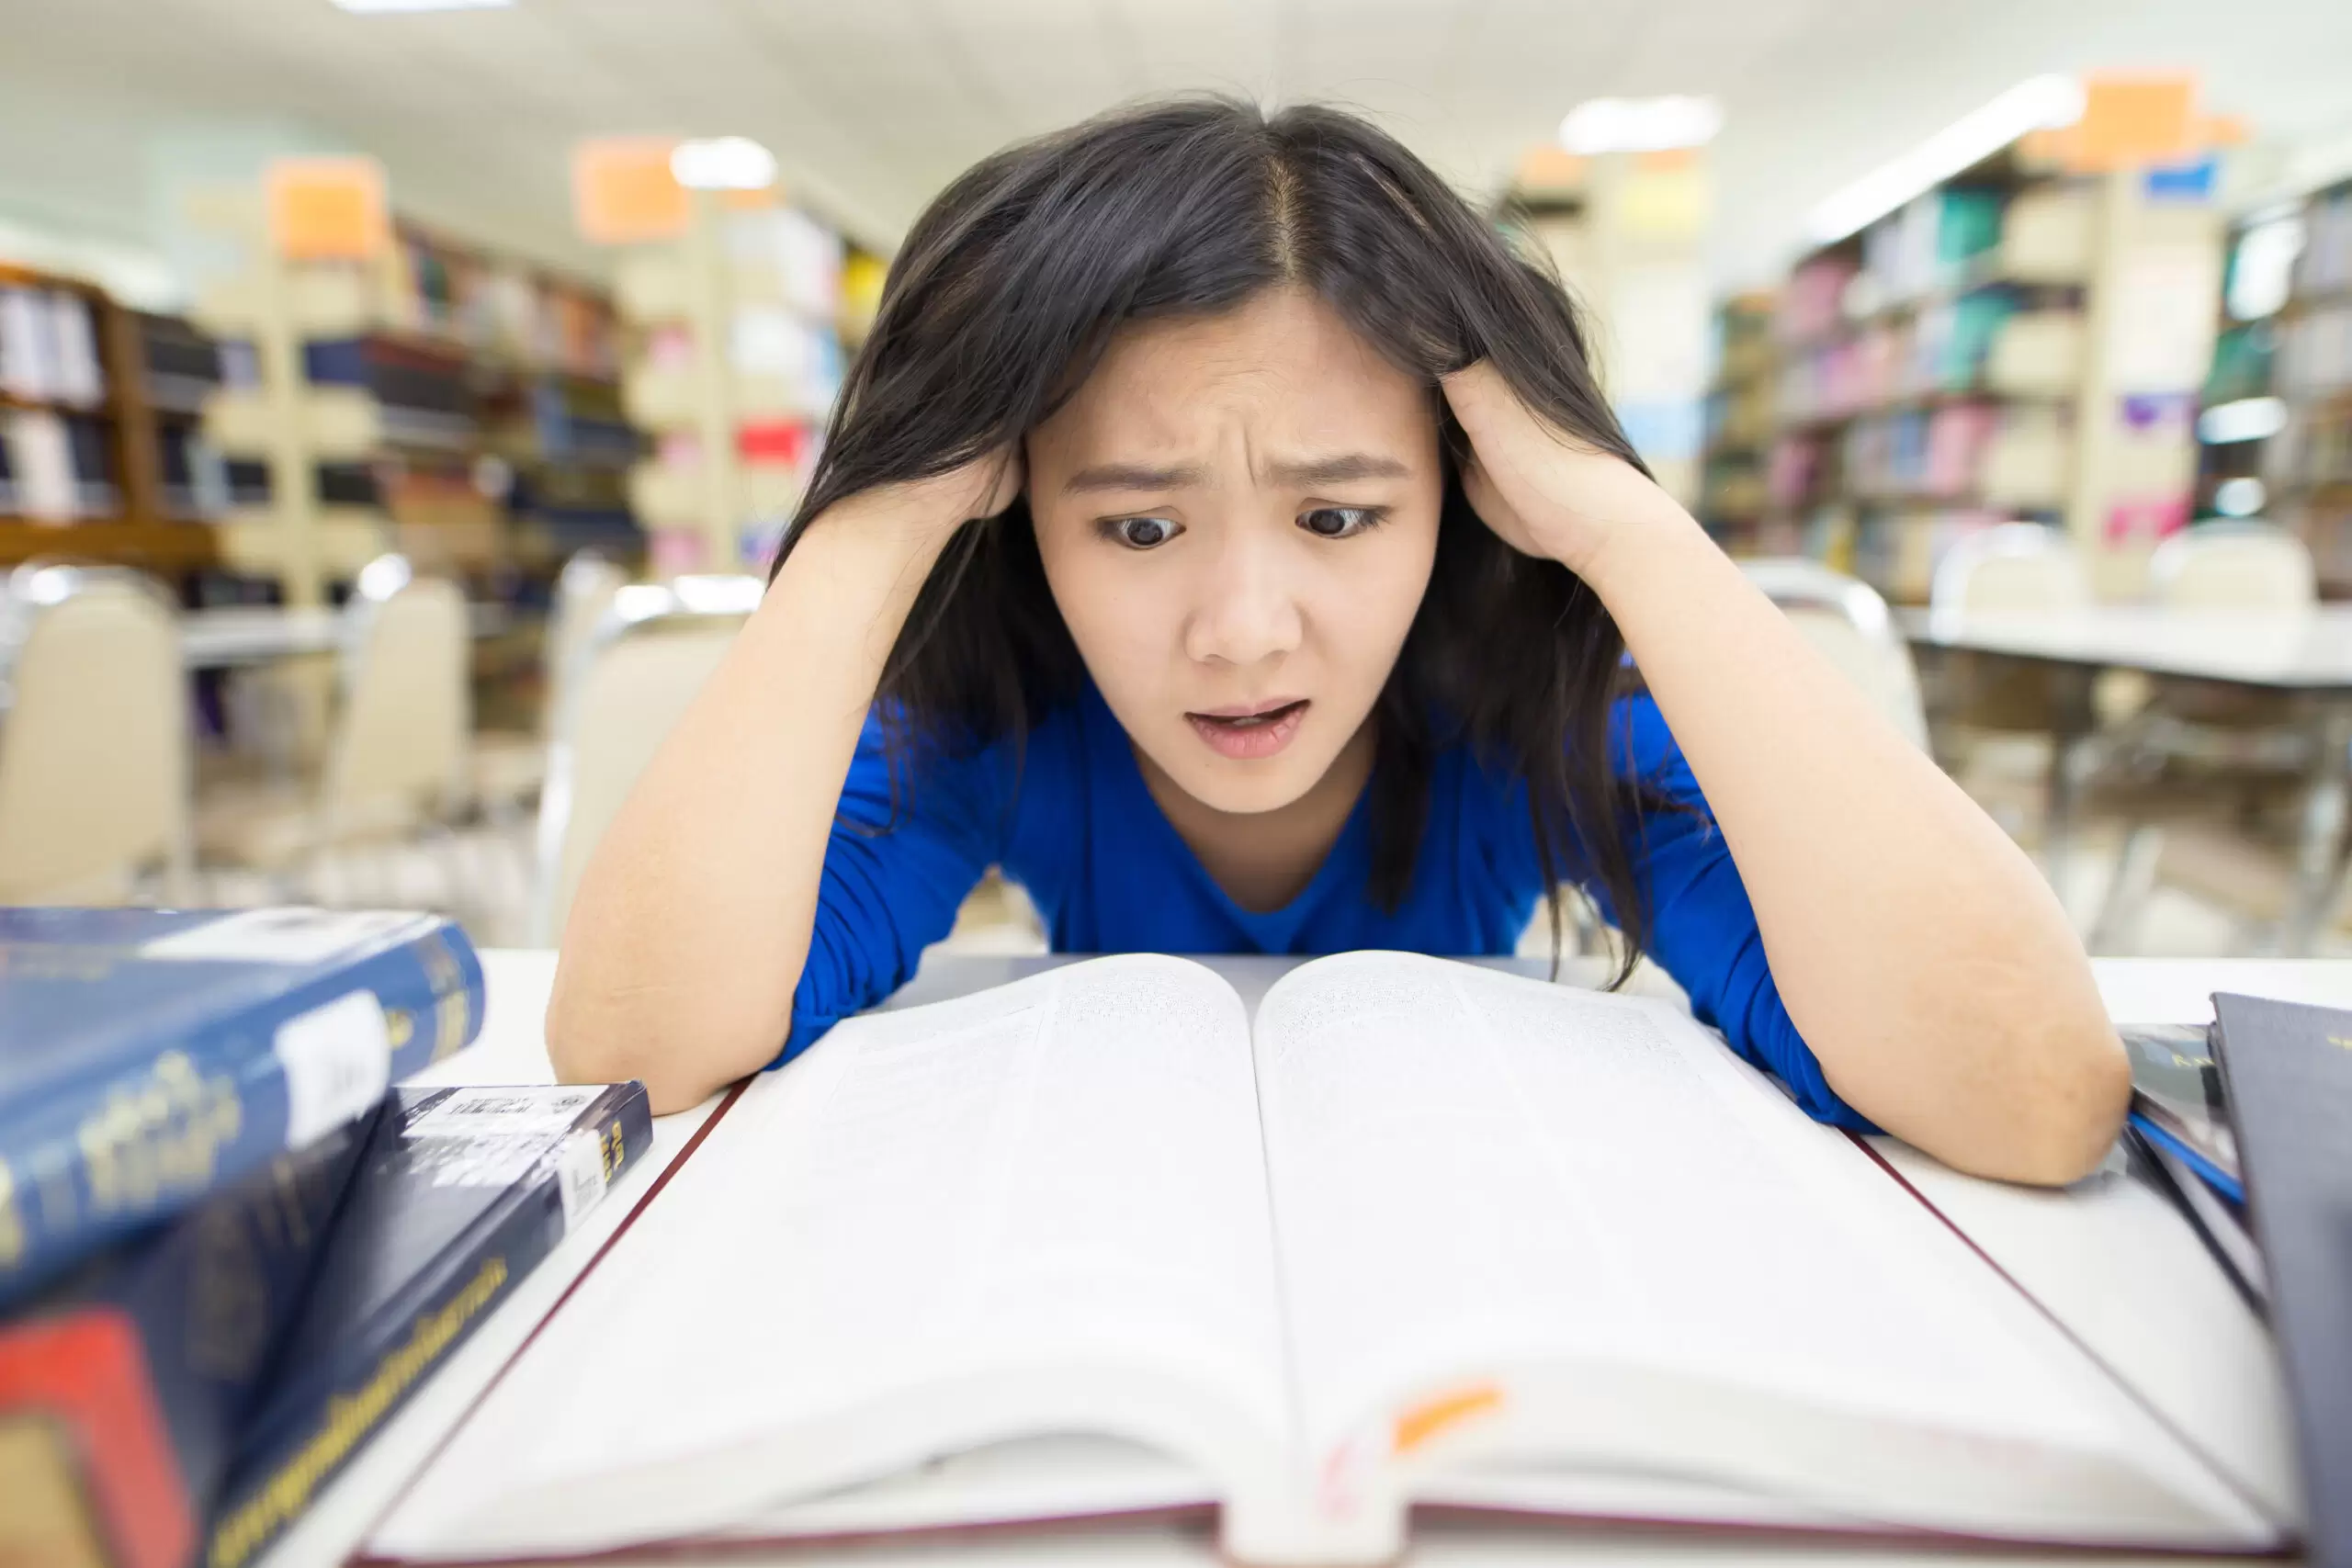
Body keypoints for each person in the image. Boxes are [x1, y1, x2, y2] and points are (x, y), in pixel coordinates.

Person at [549, 98, 2128, 1185]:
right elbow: (629, 1049)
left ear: (1466, 496)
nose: (1243, 634)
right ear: (1017, 509)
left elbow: (2035, 1095)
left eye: (1341, 516)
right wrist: (883, 511)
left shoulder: (1538, 738)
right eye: (1139, 526)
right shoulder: (998, 725)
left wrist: (1622, 524)